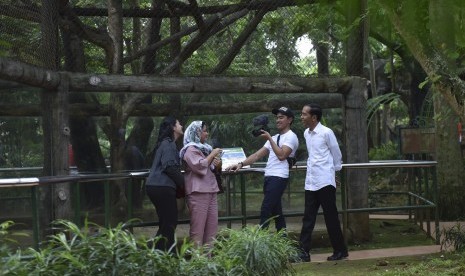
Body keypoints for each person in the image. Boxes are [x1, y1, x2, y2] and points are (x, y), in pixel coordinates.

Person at [226, 107, 299, 232]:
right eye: (277, 117)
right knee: (277, 212)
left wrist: (270, 139)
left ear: (290, 120)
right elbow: (257, 155)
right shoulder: (275, 137)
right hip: (269, 176)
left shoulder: (291, 137)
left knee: (266, 209)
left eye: (281, 117)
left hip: (279, 177)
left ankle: (259, 242)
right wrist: (240, 163)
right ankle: (284, 242)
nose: (277, 120)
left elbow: (282, 156)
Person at [297, 103, 348, 262]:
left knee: (330, 217)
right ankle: (303, 253)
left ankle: (340, 251)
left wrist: (333, 173)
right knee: (308, 218)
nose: (301, 117)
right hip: (311, 182)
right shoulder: (306, 133)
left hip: (325, 181)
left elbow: (336, 154)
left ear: (314, 117)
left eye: (304, 114)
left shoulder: (327, 132)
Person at [180, 121, 223, 247]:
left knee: (212, 230)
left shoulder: (205, 149)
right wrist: (213, 154)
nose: (207, 133)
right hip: (197, 192)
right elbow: (199, 166)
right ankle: (197, 263)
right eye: (204, 131)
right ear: (196, 133)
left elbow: (213, 169)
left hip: (211, 190)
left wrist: (218, 165)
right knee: (197, 230)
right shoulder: (189, 150)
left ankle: (208, 263)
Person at [145, 116, 184, 252]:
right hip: (162, 187)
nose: (181, 126)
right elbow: (169, 167)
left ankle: (161, 254)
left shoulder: (164, 143)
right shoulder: (168, 144)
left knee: (166, 223)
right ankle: (161, 253)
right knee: (170, 224)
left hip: (155, 186)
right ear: (173, 127)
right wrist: (184, 183)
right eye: (179, 123)